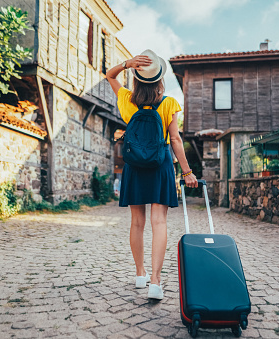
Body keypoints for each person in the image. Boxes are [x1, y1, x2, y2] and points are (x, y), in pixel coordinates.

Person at [106, 49, 198, 300]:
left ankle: (140, 274)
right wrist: (187, 172)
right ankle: (155, 282)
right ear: (159, 80)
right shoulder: (168, 103)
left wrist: (127, 64)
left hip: (134, 165)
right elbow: (176, 140)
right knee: (159, 223)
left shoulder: (126, 99)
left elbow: (109, 75)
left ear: (136, 77)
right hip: (160, 165)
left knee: (137, 222)